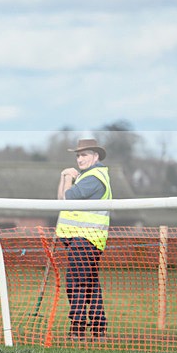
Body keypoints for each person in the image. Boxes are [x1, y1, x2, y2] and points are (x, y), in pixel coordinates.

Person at [55, 138, 112, 341]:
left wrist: (69, 178)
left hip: (85, 239)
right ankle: (98, 330)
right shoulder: (87, 176)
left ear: (95, 156)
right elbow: (60, 200)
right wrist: (65, 177)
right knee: (89, 284)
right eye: (78, 155)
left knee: (75, 284)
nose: (80, 159)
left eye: (84, 155)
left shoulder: (93, 178)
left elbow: (67, 199)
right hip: (86, 239)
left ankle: (77, 330)